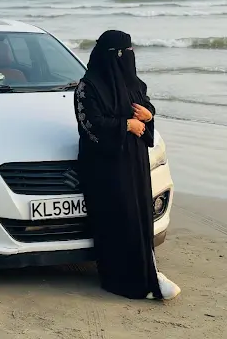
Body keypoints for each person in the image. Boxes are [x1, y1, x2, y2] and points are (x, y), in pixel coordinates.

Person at [74, 30, 180, 300]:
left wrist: (148, 115)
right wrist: (125, 125)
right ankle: (121, 278)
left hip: (134, 163)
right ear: (114, 55)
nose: (131, 57)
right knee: (117, 217)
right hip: (106, 167)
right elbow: (90, 125)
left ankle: (146, 272)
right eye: (126, 52)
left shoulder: (133, 83)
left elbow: (146, 109)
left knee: (138, 216)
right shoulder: (88, 87)